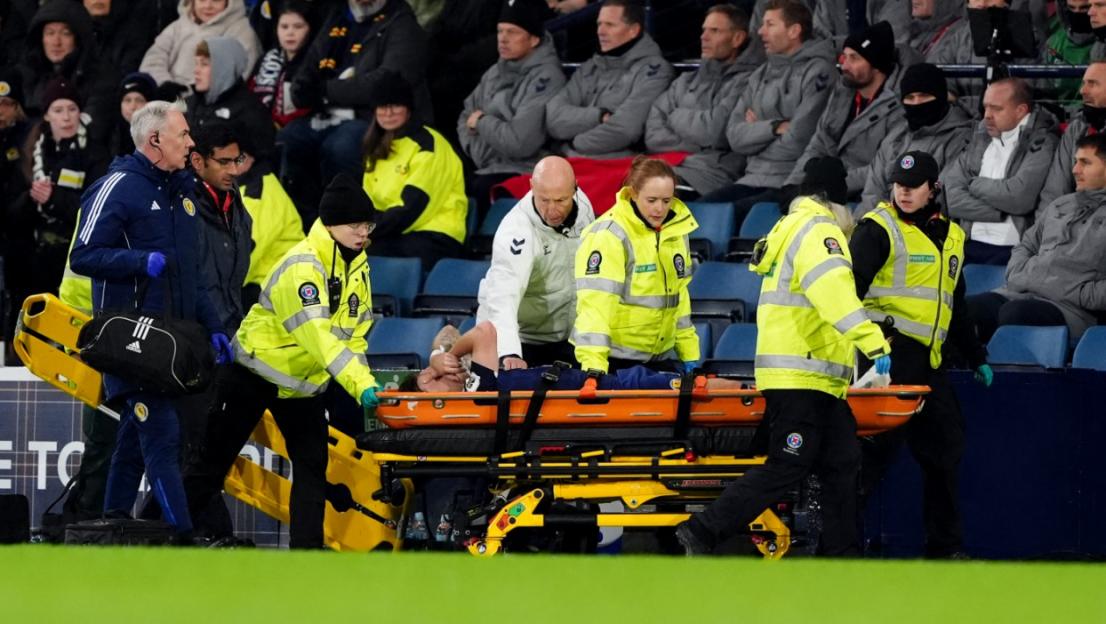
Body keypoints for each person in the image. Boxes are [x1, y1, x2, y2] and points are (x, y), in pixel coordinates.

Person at [675, 157, 893, 557]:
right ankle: (704, 528)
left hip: (814, 378)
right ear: (834, 198)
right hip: (802, 378)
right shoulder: (819, 231)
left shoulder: (789, 227)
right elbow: (833, 294)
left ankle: (841, 556)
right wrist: (873, 341)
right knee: (787, 465)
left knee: (842, 464)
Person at [182, 173, 382, 549]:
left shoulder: (359, 266)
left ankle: (305, 555)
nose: (362, 232)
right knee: (211, 463)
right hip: (253, 373)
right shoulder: (301, 268)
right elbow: (319, 336)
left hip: (303, 385)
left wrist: (363, 378)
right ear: (330, 224)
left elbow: (355, 333)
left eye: (367, 224)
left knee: (312, 469)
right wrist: (362, 384)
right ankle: (154, 534)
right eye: (355, 224)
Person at [69, 100, 229, 542]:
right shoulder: (117, 186)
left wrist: (214, 326)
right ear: (155, 140)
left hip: (173, 343)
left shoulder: (182, 193)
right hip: (132, 340)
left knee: (132, 442)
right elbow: (82, 256)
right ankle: (182, 537)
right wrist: (140, 262)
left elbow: (192, 277)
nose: (191, 142)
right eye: (183, 135)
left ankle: (113, 524)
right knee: (161, 435)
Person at [850, 150, 991, 559]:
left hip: (930, 362)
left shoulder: (953, 237)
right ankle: (838, 546)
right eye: (898, 184)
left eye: (913, 186)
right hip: (885, 358)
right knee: (871, 458)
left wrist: (976, 354)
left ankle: (945, 548)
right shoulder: (877, 228)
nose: (904, 192)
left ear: (935, 189)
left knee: (946, 452)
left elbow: (955, 303)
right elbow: (848, 294)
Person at [280, 0, 430, 213]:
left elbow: (387, 81)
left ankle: (346, 221)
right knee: (287, 140)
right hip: (325, 114)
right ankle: (302, 223)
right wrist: (302, 89)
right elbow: (309, 65)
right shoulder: (338, 15)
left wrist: (325, 90)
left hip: (372, 119)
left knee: (340, 146)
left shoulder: (401, 22)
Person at [700, 0, 834, 220]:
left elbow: (799, 141)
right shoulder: (759, 74)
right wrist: (774, 127)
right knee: (693, 213)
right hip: (750, 178)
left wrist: (755, 133)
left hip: (788, 180)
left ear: (794, 30)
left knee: (725, 217)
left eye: (770, 24)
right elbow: (734, 136)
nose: (761, 31)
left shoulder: (819, 72)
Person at [968, 133, 1106, 343]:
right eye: (1075, 161)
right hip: (1020, 292)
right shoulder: (1061, 205)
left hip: (1070, 310)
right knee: (966, 311)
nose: (1075, 170)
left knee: (1014, 314)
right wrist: (1018, 271)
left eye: (1085, 163)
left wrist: (1081, 294)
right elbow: (1027, 244)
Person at [572, 156, 699, 375]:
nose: (660, 208)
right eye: (652, 200)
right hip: (615, 362)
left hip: (660, 360)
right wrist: (594, 366)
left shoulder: (677, 232)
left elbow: (680, 300)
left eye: (666, 201)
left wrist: (690, 356)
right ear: (633, 193)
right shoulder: (609, 235)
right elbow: (596, 306)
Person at [6, 79, 110, 339]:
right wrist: (32, 199)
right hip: (35, 257)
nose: (66, 117)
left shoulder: (95, 154)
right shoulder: (30, 153)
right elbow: (10, 213)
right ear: (46, 115)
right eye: (59, 110)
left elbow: (98, 209)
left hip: (73, 258)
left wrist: (54, 199)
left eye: (72, 109)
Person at [475, 156, 595, 369]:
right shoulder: (517, 232)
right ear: (531, 186)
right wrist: (509, 352)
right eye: (544, 199)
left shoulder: (584, 206)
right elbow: (503, 297)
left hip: (567, 337)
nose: (552, 210)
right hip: (522, 339)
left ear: (575, 189)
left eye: (561, 200)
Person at [416, 321, 745, 393]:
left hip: (595, 382)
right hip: (607, 389)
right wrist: (450, 356)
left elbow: (447, 331)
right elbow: (485, 331)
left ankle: (746, 391)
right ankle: (748, 392)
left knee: (690, 386)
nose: (446, 375)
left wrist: (439, 356)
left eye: (434, 374)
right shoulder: (478, 392)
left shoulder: (476, 382)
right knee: (690, 388)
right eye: (436, 380)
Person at [459, 0, 566, 212]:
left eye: (512, 32)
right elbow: (464, 119)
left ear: (534, 39)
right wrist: (487, 153)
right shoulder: (494, 72)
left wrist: (482, 122)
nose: (503, 39)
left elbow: (521, 142)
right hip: (488, 166)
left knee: (475, 193)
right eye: (500, 31)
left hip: (526, 170)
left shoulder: (547, 78)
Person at [785, 21, 907, 203]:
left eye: (854, 58)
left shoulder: (901, 103)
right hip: (827, 189)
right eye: (844, 57)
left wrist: (831, 185)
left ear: (876, 64)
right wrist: (794, 183)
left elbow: (886, 164)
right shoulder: (842, 91)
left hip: (866, 194)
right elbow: (819, 142)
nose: (845, 65)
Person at [644, 4, 758, 198]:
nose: (703, 37)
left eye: (714, 31)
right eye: (704, 30)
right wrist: (696, 144)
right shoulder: (685, 80)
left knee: (649, 189)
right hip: (671, 164)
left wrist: (675, 116)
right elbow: (653, 133)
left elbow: (717, 131)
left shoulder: (749, 81)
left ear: (737, 38)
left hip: (714, 171)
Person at [944, 78, 1058, 266]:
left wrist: (973, 183)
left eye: (996, 109)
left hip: (1013, 251)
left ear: (1020, 111)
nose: (987, 115)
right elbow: (949, 196)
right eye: (985, 107)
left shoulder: (1043, 142)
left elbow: (1019, 198)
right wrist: (999, 212)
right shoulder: (980, 137)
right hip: (967, 243)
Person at [359, 73, 468, 268]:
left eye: (395, 105)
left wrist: (368, 231)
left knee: (364, 257)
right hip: (394, 233)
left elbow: (413, 208)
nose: (388, 112)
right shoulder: (376, 149)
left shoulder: (428, 144)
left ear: (408, 109)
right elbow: (367, 204)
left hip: (435, 235)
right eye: (382, 106)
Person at [545, 0, 675, 159]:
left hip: (616, 167)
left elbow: (626, 130)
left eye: (610, 25)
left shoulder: (655, 71)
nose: (601, 31)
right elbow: (553, 118)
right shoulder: (590, 67)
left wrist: (574, 143)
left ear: (633, 30)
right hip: (568, 162)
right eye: (599, 24)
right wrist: (599, 116)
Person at [858, 63, 973, 214]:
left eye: (924, 96)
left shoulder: (961, 137)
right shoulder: (897, 134)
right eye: (910, 97)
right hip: (882, 225)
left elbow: (942, 196)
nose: (917, 103)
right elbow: (873, 191)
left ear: (940, 96)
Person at [17, 0, 116, 127]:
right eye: (50, 33)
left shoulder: (101, 78)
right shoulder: (27, 75)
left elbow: (92, 126)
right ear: (40, 38)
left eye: (65, 34)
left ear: (79, 38)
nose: (56, 42)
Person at [185, 36, 275, 163]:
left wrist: (233, 165)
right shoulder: (188, 104)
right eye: (196, 64)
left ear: (224, 68)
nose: (196, 71)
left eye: (204, 64)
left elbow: (260, 156)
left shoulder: (250, 111)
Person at [139, 0, 261, 92]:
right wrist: (165, 85)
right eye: (202, 0)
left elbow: (234, 75)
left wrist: (190, 95)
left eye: (216, 0)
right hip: (165, 94)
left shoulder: (241, 31)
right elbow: (153, 59)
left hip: (206, 108)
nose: (208, 6)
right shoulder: (179, 25)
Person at [1038, 61, 1106, 211]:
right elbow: (1055, 190)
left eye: (1093, 84)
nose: (1083, 90)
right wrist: (1045, 229)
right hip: (1071, 223)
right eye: (1084, 83)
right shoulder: (1077, 127)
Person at [247, 0, 313, 130]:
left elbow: (309, 109)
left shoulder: (313, 63)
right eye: (284, 26)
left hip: (292, 132)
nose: (290, 33)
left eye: (298, 26)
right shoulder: (267, 58)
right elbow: (248, 94)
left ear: (310, 29)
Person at [1044, 0, 1095, 107]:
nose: (1077, 13)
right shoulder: (1054, 43)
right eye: (1072, 8)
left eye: (1084, 8)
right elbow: (1045, 88)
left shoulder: (1102, 46)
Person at [107, 72, 156, 156]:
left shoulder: (160, 138)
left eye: (140, 100)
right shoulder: (108, 135)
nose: (133, 107)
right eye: (127, 100)